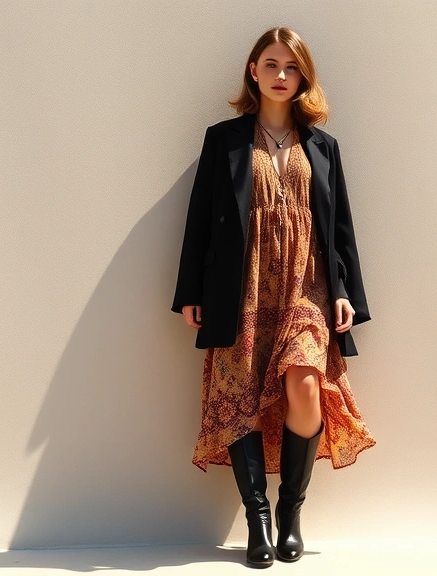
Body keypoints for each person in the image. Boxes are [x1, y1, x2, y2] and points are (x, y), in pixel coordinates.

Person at [170, 26, 376, 568]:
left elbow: (342, 230)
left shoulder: (323, 147)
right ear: (253, 72)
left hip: (306, 287)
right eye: (270, 65)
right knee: (239, 397)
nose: (281, 75)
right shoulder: (225, 140)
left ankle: (290, 512)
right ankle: (258, 519)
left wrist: (348, 291)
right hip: (240, 287)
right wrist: (192, 289)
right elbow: (198, 223)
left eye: (291, 67)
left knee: (306, 386)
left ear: (302, 75)